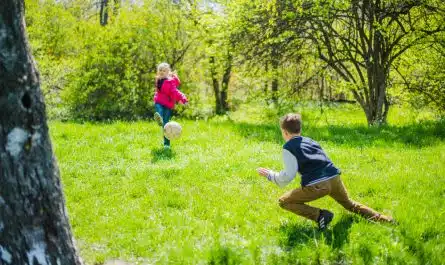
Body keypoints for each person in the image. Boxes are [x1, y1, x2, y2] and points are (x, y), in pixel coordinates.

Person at [257, 113, 394, 230]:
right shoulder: (311, 141)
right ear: (300, 129)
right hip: (334, 178)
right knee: (349, 204)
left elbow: (288, 176)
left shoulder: (288, 147)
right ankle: (385, 220)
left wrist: (270, 175)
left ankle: (320, 215)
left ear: (285, 132)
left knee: (284, 201)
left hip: (318, 184)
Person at [153, 62, 188, 148]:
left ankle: (167, 144)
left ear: (168, 72)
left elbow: (175, 92)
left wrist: (183, 99)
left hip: (168, 105)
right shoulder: (158, 80)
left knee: (166, 126)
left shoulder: (170, 82)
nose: (161, 72)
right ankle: (159, 118)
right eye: (160, 70)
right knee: (158, 108)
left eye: (164, 70)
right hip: (159, 101)